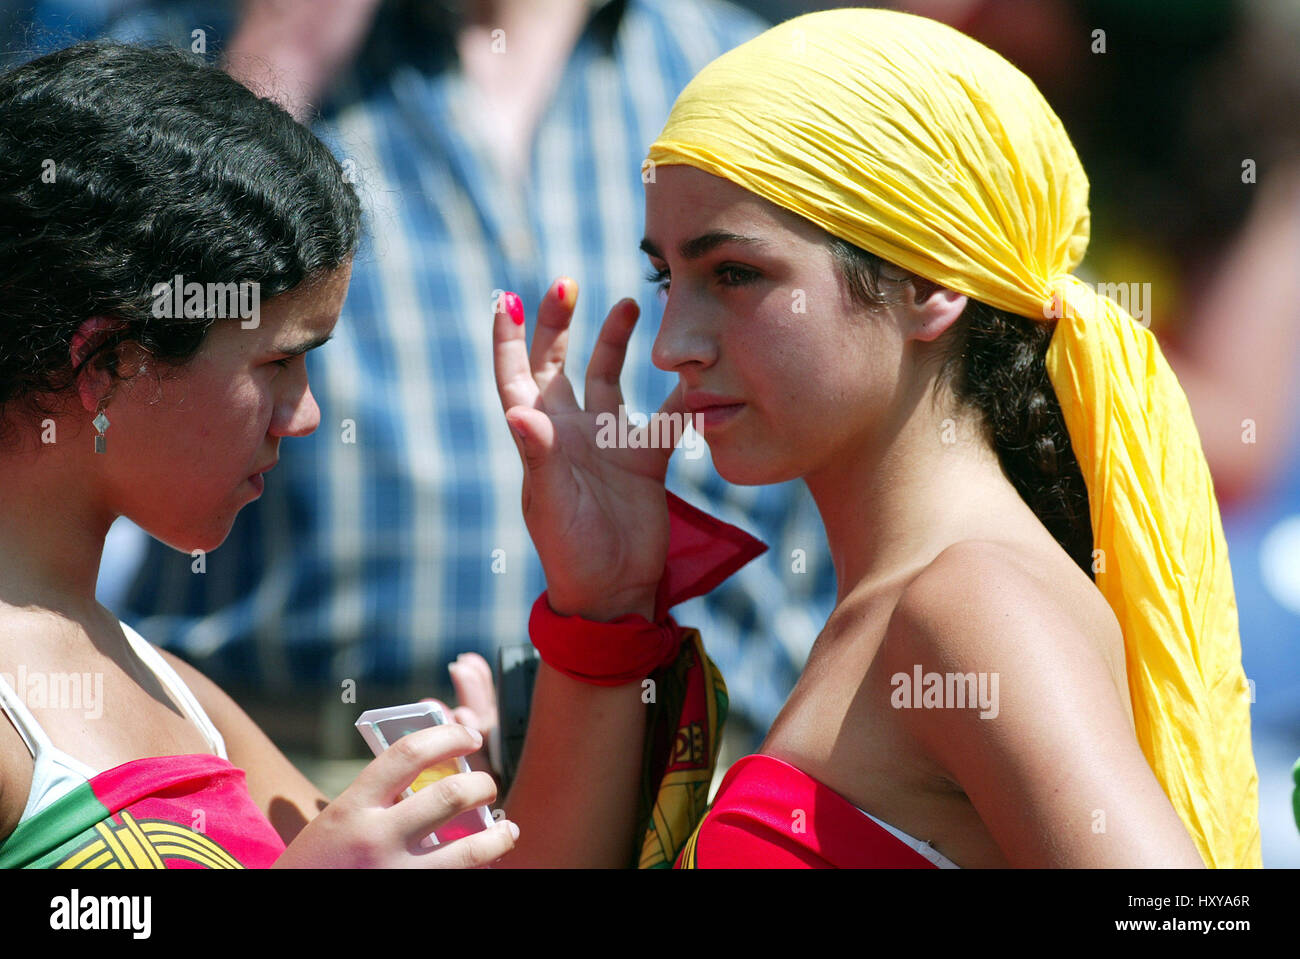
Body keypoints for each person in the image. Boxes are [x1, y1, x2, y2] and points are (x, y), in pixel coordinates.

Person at [491, 8, 1259, 868]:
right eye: (665, 277)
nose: (672, 345)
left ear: (929, 282)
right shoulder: (899, 598)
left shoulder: (970, 601)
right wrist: (603, 606)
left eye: (735, 273)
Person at [0, 40, 517, 868]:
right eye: (278, 363)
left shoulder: (181, 694)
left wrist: (463, 805)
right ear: (110, 365)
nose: (304, 416)